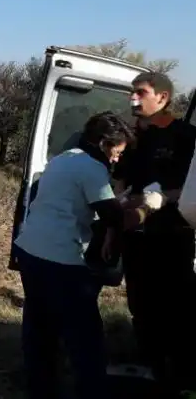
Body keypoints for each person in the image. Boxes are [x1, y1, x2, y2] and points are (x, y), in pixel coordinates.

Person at [12, 111, 134, 399]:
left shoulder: (64, 158)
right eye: (117, 152)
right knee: (85, 335)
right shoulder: (92, 168)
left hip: (30, 250)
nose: (116, 160)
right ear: (104, 143)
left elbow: (72, 201)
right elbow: (113, 216)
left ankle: (40, 388)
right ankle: (91, 391)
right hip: (60, 260)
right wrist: (146, 203)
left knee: (38, 325)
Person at [111, 72, 196, 396]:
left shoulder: (186, 136)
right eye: (131, 93)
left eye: (140, 93)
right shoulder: (133, 140)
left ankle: (182, 376)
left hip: (172, 236)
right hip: (136, 237)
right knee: (140, 304)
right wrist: (117, 214)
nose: (133, 100)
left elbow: (192, 190)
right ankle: (150, 369)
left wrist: (162, 198)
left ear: (162, 98)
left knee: (176, 306)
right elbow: (120, 182)